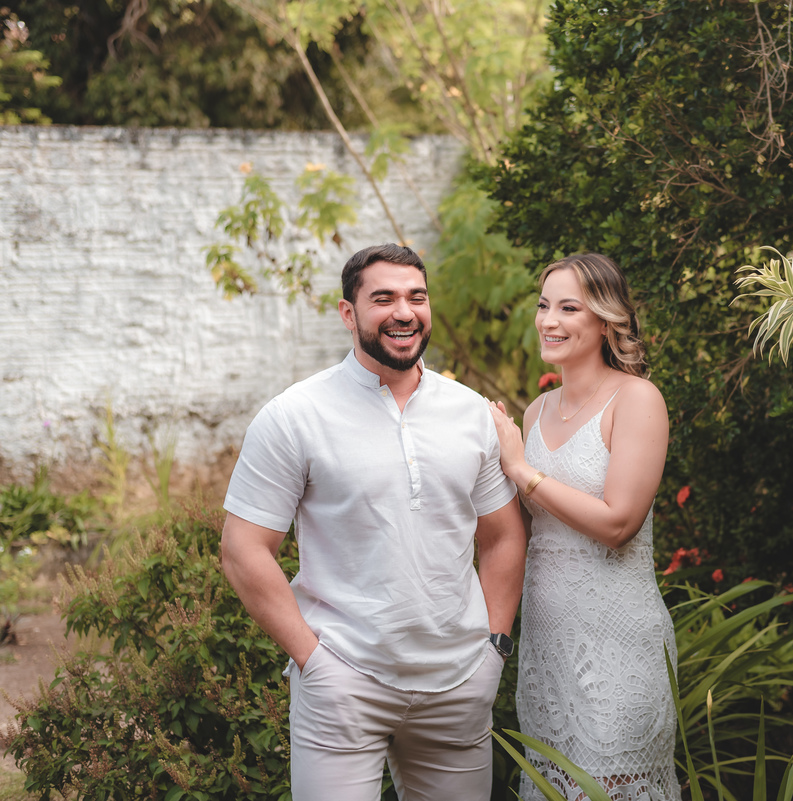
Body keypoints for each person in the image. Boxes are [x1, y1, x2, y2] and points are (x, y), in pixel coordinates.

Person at [221, 243, 526, 801]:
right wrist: (314, 663)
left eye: (417, 297)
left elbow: (503, 536)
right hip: (345, 681)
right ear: (348, 313)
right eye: (382, 298)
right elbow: (243, 549)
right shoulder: (295, 416)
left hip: (459, 686)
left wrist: (494, 650)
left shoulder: (470, 413)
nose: (404, 312)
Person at [489, 253, 681, 801]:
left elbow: (619, 521)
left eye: (569, 307)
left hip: (618, 640)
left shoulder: (637, 399)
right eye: (544, 305)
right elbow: (526, 526)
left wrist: (521, 470)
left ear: (606, 320)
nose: (549, 320)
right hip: (548, 644)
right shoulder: (536, 411)